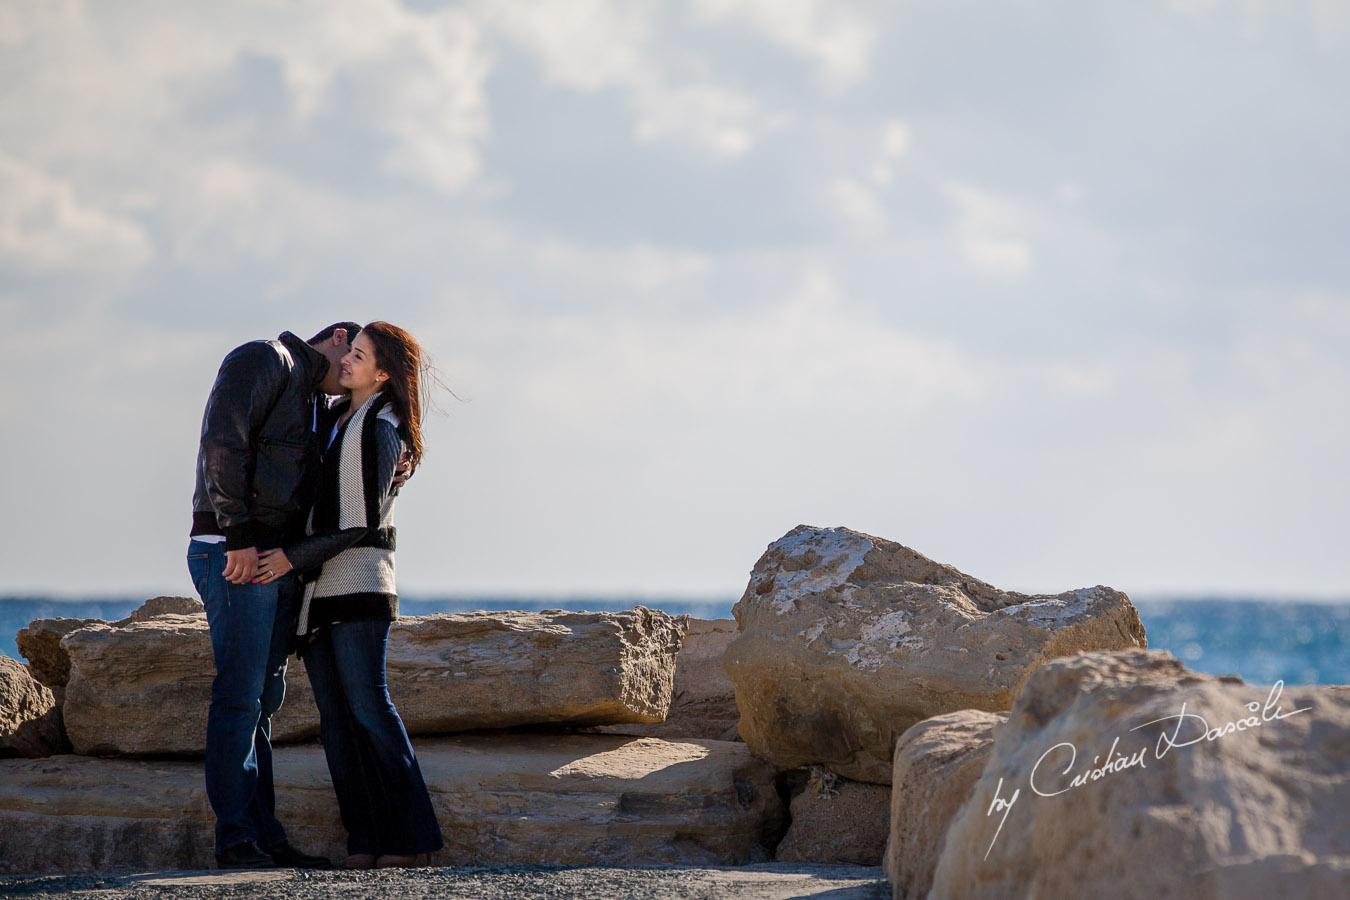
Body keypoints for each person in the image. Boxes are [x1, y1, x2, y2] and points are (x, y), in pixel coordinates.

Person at [256, 322, 443, 869]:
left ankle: (413, 839)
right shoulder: (339, 419)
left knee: (369, 708)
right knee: (337, 721)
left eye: (357, 357)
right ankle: (363, 840)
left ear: (382, 373)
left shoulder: (380, 426)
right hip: (321, 592)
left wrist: (291, 556)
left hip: (359, 586)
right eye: (349, 352)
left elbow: (359, 521)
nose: (346, 362)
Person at [188, 324, 359, 870]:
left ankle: (265, 836)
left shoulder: (315, 402)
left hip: (273, 560)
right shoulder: (266, 358)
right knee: (239, 698)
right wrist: (237, 534)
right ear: (335, 337)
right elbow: (223, 439)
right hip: (234, 551)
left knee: (262, 703)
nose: (351, 369)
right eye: (351, 354)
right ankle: (235, 842)